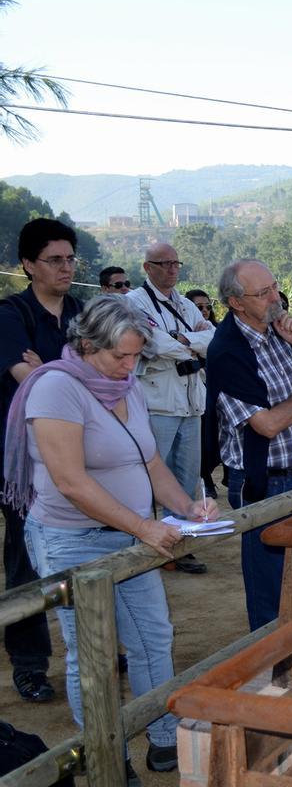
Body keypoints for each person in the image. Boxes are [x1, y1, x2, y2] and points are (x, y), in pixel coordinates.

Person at [4, 295, 217, 780]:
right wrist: (144, 526)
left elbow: (150, 461)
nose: (128, 366)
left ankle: (163, 739)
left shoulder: (127, 385)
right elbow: (71, 482)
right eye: (119, 356)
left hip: (132, 533)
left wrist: (187, 508)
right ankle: (107, 754)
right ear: (84, 346)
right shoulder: (56, 389)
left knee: (153, 638)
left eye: (135, 356)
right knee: (93, 651)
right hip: (73, 538)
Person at [204, 259, 292, 630]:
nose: (275, 298)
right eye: (263, 293)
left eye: (275, 287)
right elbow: (267, 425)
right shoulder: (227, 351)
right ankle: (274, 671)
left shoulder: (283, 331)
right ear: (236, 302)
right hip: (263, 483)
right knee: (272, 593)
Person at [0, 218, 83, 704]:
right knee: (27, 564)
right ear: (28, 265)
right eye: (54, 259)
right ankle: (30, 665)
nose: (65, 268)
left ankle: (94, 640)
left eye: (70, 258)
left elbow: (103, 377)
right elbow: (24, 379)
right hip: (24, 466)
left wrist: (48, 369)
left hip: (80, 457)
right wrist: (69, 372)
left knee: (92, 550)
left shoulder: (83, 313)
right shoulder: (11, 315)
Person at [125, 243, 213, 575]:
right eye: (164, 263)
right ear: (147, 267)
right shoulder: (133, 302)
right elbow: (154, 343)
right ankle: (145, 543)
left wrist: (183, 340)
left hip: (191, 402)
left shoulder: (187, 304)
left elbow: (213, 339)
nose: (173, 269)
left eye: (176, 262)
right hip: (157, 402)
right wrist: (190, 341)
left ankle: (179, 546)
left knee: (187, 479)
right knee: (148, 478)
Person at [187, 289, 221, 499]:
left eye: (208, 306)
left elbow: (216, 350)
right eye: (199, 307)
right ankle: (205, 479)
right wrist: (195, 340)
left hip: (218, 390)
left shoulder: (217, 329)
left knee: (217, 437)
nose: (205, 311)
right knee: (203, 439)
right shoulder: (182, 328)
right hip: (194, 392)